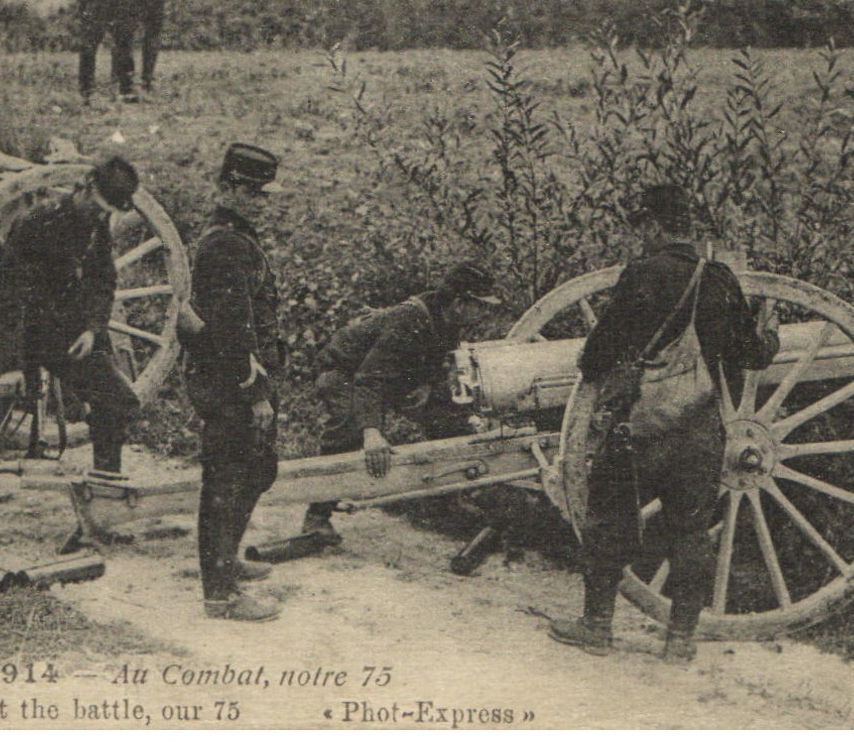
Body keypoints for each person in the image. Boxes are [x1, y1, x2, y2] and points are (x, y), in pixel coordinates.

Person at [547, 184, 778, 662]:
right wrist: (769, 337)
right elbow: (748, 355)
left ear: (652, 225)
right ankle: (679, 641)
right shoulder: (718, 278)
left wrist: (595, 361)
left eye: (642, 228)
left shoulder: (643, 273)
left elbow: (599, 354)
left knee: (609, 517)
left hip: (641, 426)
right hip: (699, 430)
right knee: (691, 532)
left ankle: (596, 627)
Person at [0, 156, 142, 539]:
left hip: (64, 337)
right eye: (96, 205)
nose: (97, 216)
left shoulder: (96, 226)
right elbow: (5, 297)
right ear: (84, 185)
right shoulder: (38, 222)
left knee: (116, 401)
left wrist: (92, 328)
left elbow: (103, 281)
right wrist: (10, 365)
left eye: (105, 213)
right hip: (14, 333)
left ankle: (102, 510)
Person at [300, 262, 502, 544]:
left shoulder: (447, 320)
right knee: (348, 426)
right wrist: (371, 432)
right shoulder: (409, 320)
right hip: (344, 372)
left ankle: (444, 502)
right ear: (459, 303)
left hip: (390, 375)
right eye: (480, 305)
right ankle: (317, 517)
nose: (483, 312)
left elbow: (438, 356)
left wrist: (427, 385)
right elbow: (368, 378)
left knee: (445, 416)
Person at [182, 143, 284, 621]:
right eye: (253, 193)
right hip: (230, 382)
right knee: (225, 481)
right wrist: (256, 394)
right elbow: (232, 329)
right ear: (228, 189)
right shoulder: (225, 243)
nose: (262, 202)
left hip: (238, 377)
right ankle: (219, 594)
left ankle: (228, 562)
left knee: (257, 470)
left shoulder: (234, 236)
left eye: (264, 195)